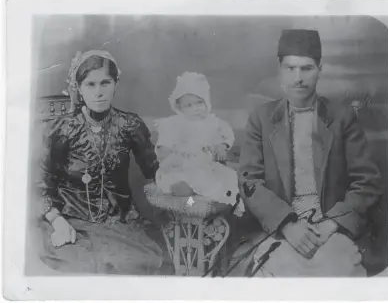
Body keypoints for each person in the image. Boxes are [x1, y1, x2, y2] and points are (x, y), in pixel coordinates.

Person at [230, 29, 383, 276]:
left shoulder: (342, 118)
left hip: (331, 228)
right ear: (279, 68)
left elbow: (367, 182)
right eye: (290, 68)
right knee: (275, 274)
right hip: (282, 229)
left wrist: (332, 223)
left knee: (336, 272)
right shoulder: (262, 118)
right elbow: (249, 181)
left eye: (307, 68)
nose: (298, 78)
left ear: (320, 68)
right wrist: (287, 224)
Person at [36, 50, 173, 275]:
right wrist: (57, 221)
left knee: (143, 263)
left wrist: (189, 165)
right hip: (72, 220)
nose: (99, 92)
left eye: (105, 83)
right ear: (79, 88)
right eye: (90, 84)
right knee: (84, 266)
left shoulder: (130, 125)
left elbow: (154, 170)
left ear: (115, 83)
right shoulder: (62, 129)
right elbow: (42, 184)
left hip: (120, 222)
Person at [154, 72, 243, 214]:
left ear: (206, 101)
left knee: (223, 179)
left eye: (199, 102)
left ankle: (197, 202)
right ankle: (187, 199)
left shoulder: (213, 122)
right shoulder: (175, 123)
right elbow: (165, 143)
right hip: (181, 166)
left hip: (205, 166)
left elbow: (225, 133)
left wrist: (222, 145)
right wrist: (165, 155)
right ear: (180, 107)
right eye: (189, 105)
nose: (196, 108)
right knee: (179, 182)